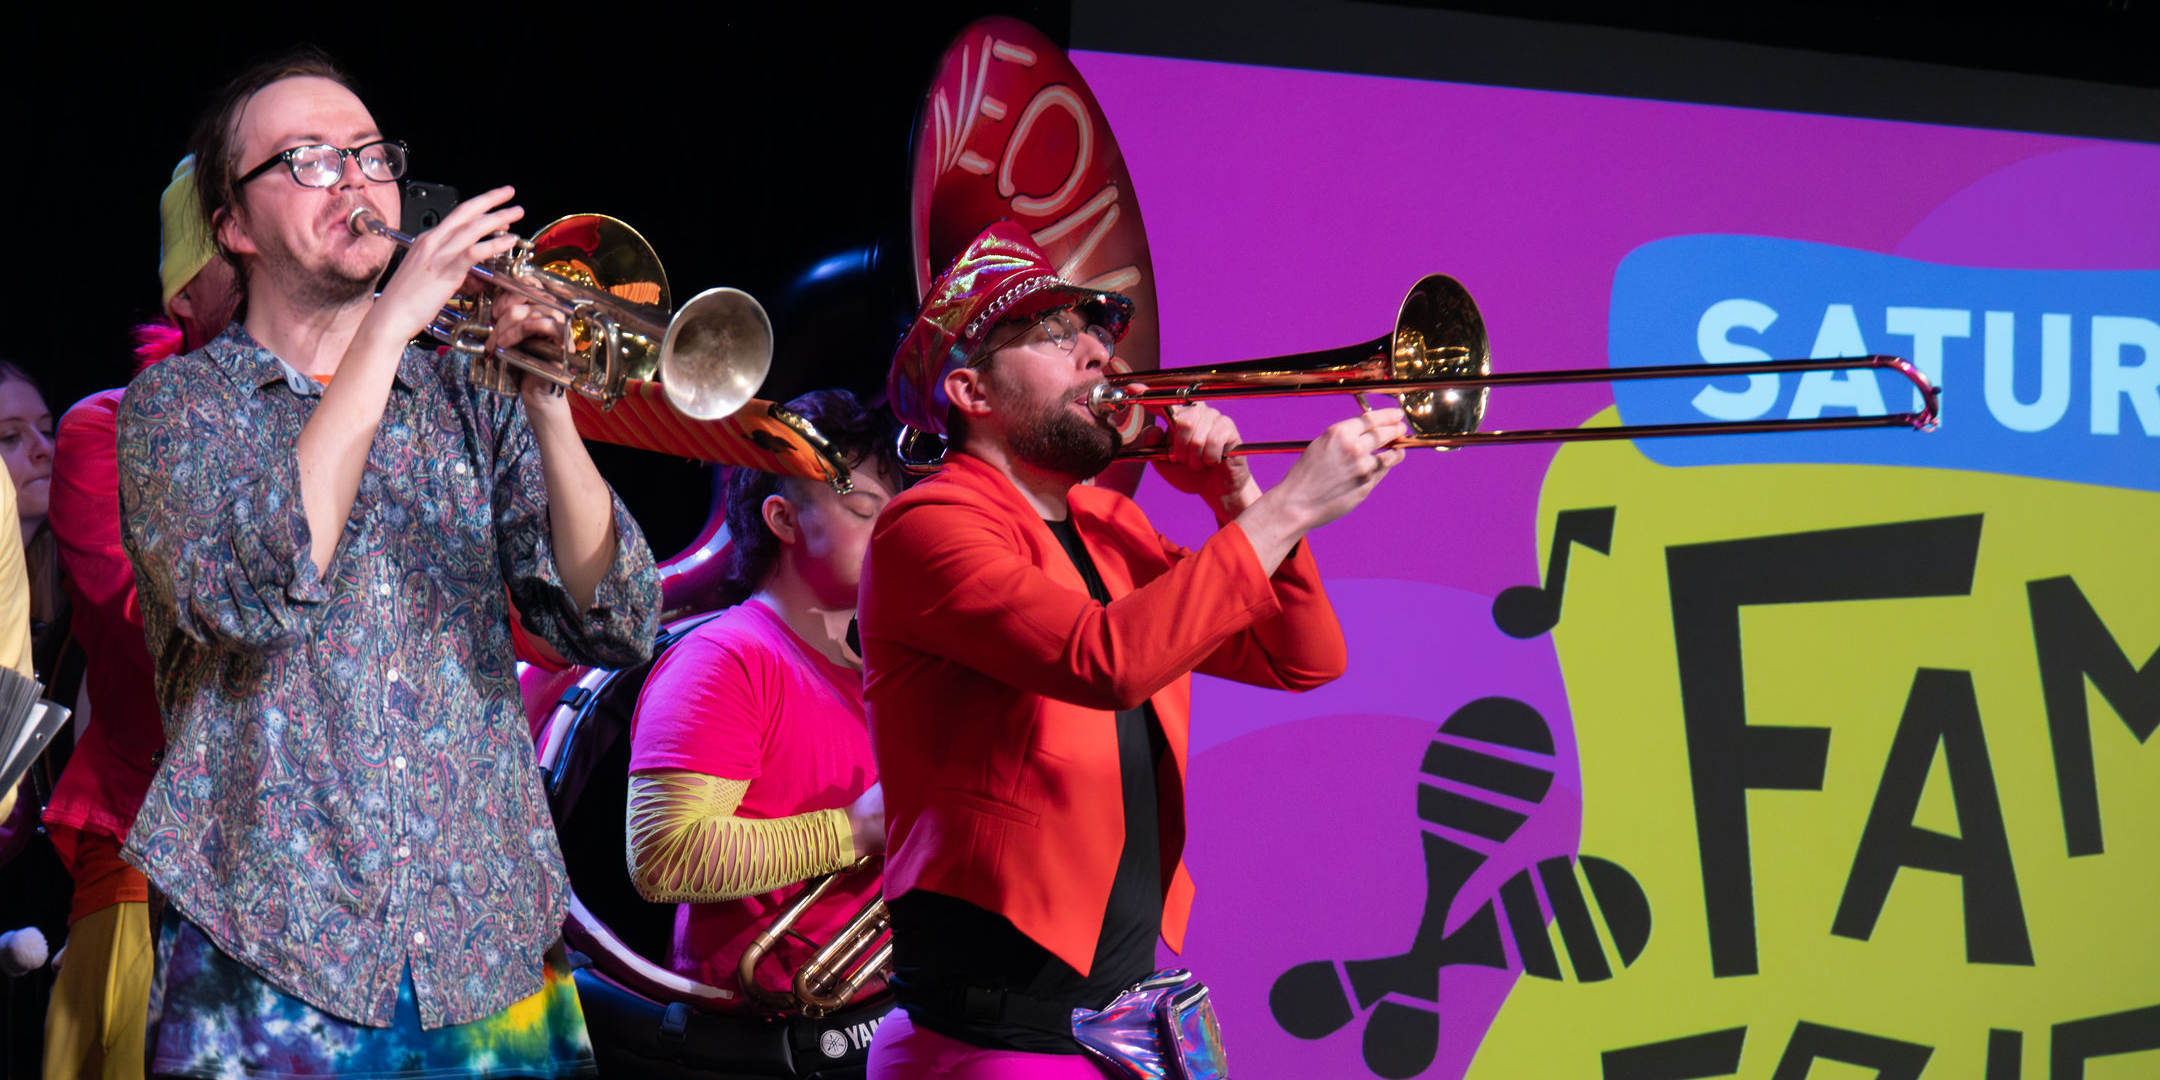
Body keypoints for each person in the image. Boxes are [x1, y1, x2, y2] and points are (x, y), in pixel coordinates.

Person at [116, 48, 659, 1078]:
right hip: (274, 942)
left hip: (488, 942)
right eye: (309, 160)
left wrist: (546, 404)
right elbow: (255, 593)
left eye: (370, 156)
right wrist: (396, 323)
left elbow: (615, 620)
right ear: (232, 224)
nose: (357, 181)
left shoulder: (467, 397)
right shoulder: (180, 410)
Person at [859, 220, 1407, 1078]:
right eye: (1051, 334)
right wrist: (1290, 509)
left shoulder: (1110, 521)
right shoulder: (926, 525)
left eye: (1095, 332)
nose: (1098, 355)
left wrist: (1240, 497)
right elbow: (1104, 661)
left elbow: (1299, 660)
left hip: (1119, 1021)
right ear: (970, 390)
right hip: (993, 1042)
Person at [40, 154, 240, 1080]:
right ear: (186, 291)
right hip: (149, 858)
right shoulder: (107, 429)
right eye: (244, 249)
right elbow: (143, 623)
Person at [625, 388, 897, 1008]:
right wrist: (859, 829)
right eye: (864, 508)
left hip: (871, 1021)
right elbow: (664, 855)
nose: (892, 531)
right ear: (783, 520)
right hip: (762, 1034)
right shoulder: (726, 658)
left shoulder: (880, 676)